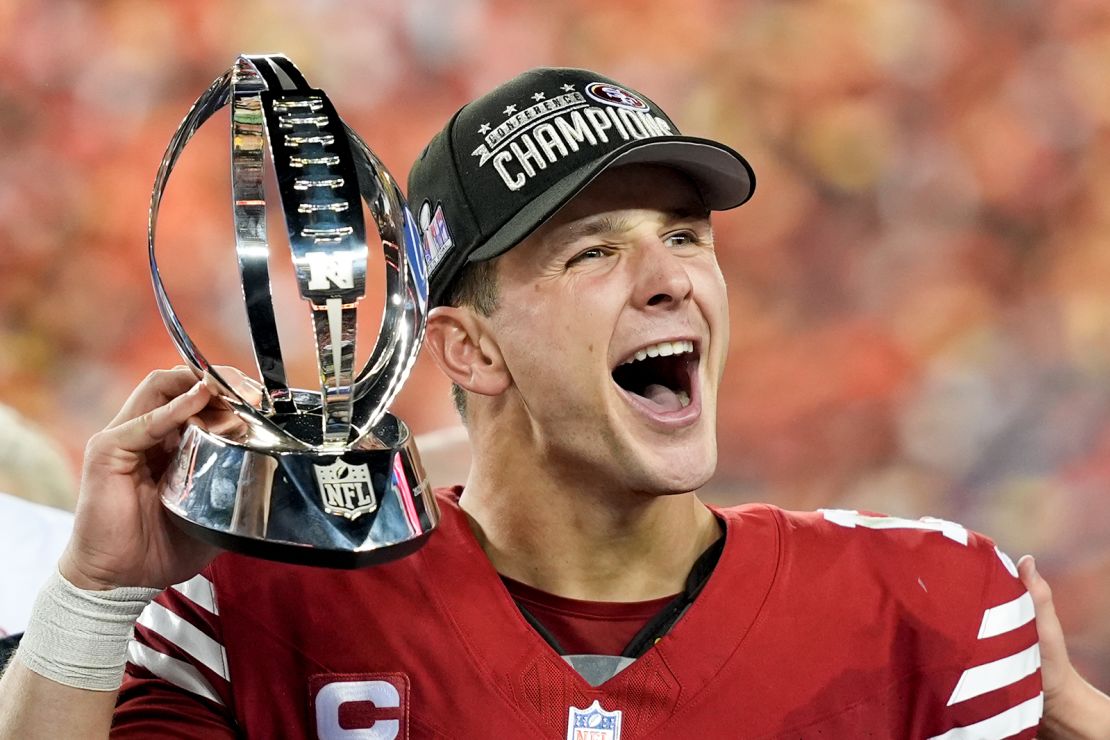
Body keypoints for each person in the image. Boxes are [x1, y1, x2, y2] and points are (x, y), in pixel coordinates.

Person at [1, 67, 1107, 738]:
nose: (672, 276)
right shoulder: (257, 613)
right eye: (596, 251)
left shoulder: (933, 605)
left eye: (684, 236)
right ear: (469, 348)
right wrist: (95, 594)